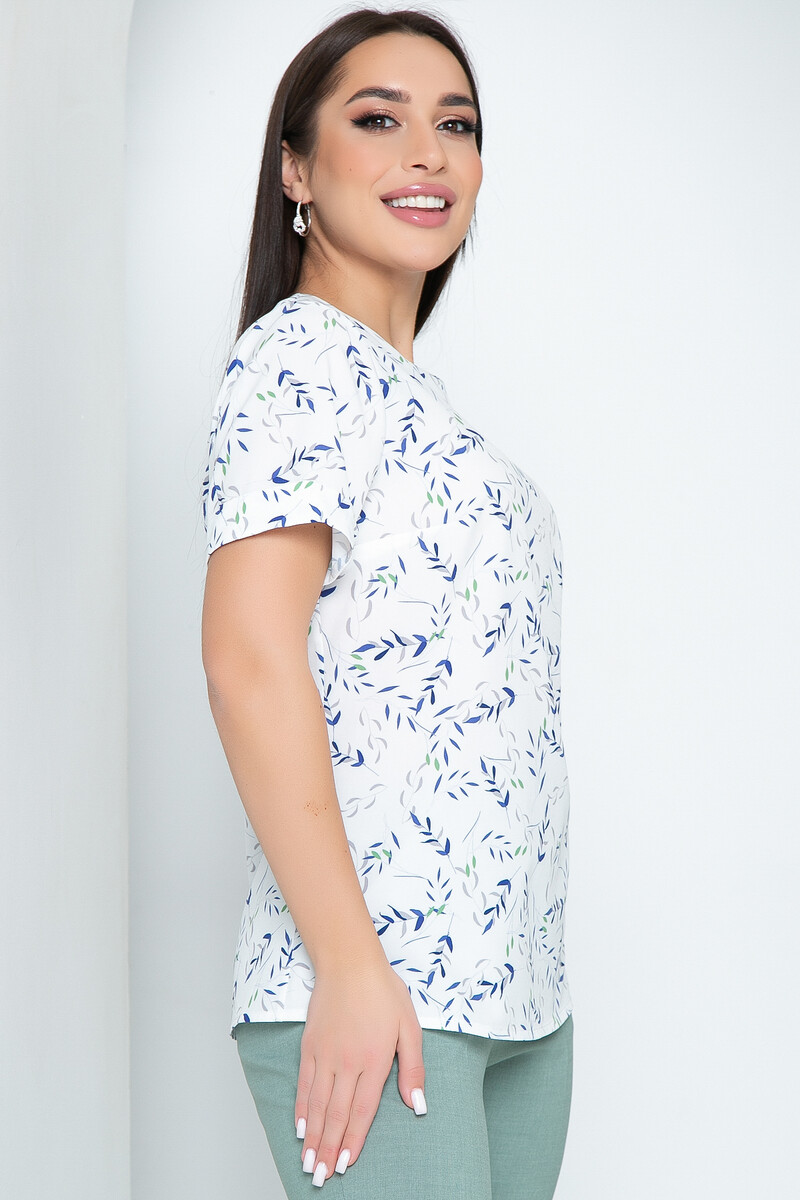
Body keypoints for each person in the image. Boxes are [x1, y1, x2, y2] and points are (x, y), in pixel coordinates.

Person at [201, 9, 573, 1198]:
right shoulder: (294, 362)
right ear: (295, 170)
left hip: (512, 989)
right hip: (382, 984)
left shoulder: (418, 403)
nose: (427, 152)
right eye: (378, 119)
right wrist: (351, 967)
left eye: (455, 126)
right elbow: (248, 662)